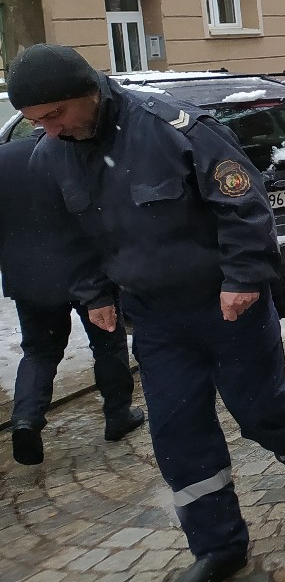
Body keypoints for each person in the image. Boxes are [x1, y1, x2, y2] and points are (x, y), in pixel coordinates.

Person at [8, 44, 285, 582]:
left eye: (55, 115)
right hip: (155, 319)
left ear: (88, 93)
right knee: (176, 430)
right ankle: (219, 545)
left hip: (229, 307)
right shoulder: (51, 156)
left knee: (258, 411)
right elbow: (70, 238)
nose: (50, 130)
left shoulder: (171, 128)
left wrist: (242, 277)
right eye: (37, 122)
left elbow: (243, 202)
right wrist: (95, 296)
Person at [1, 134, 145, 466]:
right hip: (86, 275)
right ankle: (117, 415)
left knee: (38, 352)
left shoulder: (5, 157)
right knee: (108, 342)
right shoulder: (74, 159)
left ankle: (26, 419)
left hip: (29, 279)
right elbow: (96, 224)